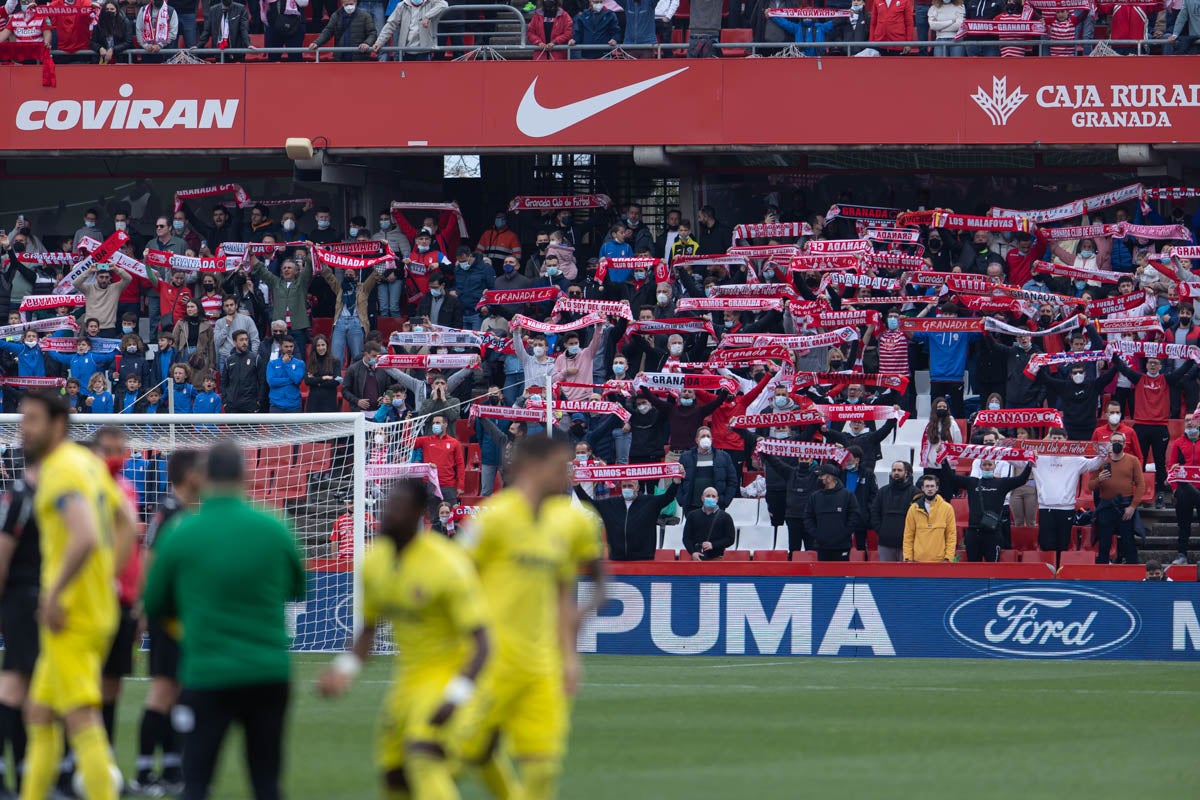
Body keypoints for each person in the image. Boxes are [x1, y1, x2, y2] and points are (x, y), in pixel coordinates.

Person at [143, 442, 305, 800]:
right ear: (246, 477)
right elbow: (297, 587)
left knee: (197, 783)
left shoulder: (182, 532)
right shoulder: (274, 527)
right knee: (266, 783)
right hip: (267, 670)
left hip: (207, 672)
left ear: (206, 477)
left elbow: (154, 600)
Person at [318, 480, 491, 799]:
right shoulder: (375, 562)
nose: (387, 513)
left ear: (417, 514)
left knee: (423, 756)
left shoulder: (447, 564)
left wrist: (457, 694)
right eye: (387, 505)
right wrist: (343, 669)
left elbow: (482, 642)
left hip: (447, 678)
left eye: (396, 506)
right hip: (407, 683)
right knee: (394, 777)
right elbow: (368, 631)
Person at [459, 436, 605, 800]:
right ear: (533, 468)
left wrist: (570, 654)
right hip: (490, 662)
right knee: (464, 751)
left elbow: (581, 585)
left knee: (543, 769)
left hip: (543, 666)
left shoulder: (575, 523)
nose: (566, 474)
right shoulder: (493, 518)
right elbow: (456, 579)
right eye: (559, 467)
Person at [18, 390, 135, 800]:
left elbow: (84, 534)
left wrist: (55, 593)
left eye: (31, 419)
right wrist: (106, 576)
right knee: (39, 711)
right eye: (22, 418)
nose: (22, 427)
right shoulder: (87, 462)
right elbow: (128, 522)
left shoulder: (61, 470)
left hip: (71, 613)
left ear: (58, 425)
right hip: (91, 604)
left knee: (81, 717)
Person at [131, 450, 203, 796]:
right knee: (163, 690)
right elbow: (150, 560)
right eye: (201, 471)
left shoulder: (181, 513)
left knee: (177, 691)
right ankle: (145, 772)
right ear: (189, 475)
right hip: (169, 617)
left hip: (182, 616)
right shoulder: (170, 513)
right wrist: (145, 608)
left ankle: (172, 769)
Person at [0, 474, 40, 800]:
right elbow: (4, 549)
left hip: (32, 601)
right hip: (21, 600)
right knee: (14, 686)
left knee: (25, 689)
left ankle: (27, 776)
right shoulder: (21, 496)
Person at [1114, 355, 1197, 508]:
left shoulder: (1166, 379)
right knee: (1140, 461)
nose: (1152, 365)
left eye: (1155, 363)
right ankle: (1138, 494)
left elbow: (1181, 371)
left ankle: (1159, 495)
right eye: (1150, 363)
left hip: (1160, 427)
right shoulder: (1139, 378)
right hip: (1141, 425)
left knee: (1160, 462)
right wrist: (1112, 355)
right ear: (1146, 365)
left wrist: (1192, 358)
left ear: (1160, 366)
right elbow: (1123, 369)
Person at [1031, 428, 1107, 560]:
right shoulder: (1038, 457)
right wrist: (1002, 450)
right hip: (1045, 507)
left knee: (1063, 544)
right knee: (1046, 544)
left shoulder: (1075, 459)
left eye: (1059, 438)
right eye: (1053, 438)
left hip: (1066, 509)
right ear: (1049, 439)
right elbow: (1017, 460)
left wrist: (1103, 454)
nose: (1056, 441)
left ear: (1065, 440)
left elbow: (1093, 464)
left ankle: (1059, 572)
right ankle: (1048, 573)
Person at [939, 457, 1033, 562]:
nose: (987, 467)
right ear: (980, 467)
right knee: (973, 570)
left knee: (993, 570)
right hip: (974, 533)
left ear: (995, 466)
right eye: (984, 465)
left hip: (993, 534)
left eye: (990, 465)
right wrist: (943, 459)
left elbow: (1022, 479)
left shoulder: (1002, 483)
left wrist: (1030, 463)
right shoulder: (972, 482)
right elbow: (950, 477)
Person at [574, 478, 679, 561]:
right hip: (616, 558)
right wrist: (576, 486)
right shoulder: (611, 504)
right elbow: (589, 504)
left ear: (637, 487)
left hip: (643, 559)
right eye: (624, 486)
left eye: (630, 486)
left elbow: (668, 497)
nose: (627, 488)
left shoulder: (649, 502)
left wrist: (676, 482)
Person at [1087, 432, 1144, 564]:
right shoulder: (1101, 461)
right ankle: (1102, 571)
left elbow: (1141, 485)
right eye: (1113, 441)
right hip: (1106, 505)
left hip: (1125, 505)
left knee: (1128, 540)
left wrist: (1133, 507)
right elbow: (1090, 485)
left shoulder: (1133, 460)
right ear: (1109, 444)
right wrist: (1099, 480)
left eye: (1119, 441)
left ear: (1124, 444)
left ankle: (1132, 571)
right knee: (1104, 541)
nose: (1116, 444)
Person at [801, 463, 863, 562]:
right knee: (823, 576)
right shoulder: (814, 496)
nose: (819, 478)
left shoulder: (847, 495)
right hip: (821, 546)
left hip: (842, 546)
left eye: (821, 476)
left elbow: (854, 517)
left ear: (829, 478)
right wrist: (816, 533)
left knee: (840, 575)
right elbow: (808, 517)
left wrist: (844, 533)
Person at [677, 427, 739, 518]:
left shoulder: (723, 457)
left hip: (716, 507)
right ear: (696, 440)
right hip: (692, 507)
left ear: (712, 439)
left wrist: (725, 501)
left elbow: (732, 481)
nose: (706, 438)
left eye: (708, 436)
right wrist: (682, 500)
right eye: (702, 436)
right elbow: (678, 481)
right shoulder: (685, 457)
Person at [411, 414, 465, 515]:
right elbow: (408, 443)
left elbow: (460, 465)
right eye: (433, 423)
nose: (435, 425)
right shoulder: (426, 440)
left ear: (445, 424)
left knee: (452, 517)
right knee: (434, 518)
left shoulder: (454, 443)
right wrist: (408, 425)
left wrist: (460, 485)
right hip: (431, 485)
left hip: (448, 485)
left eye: (438, 423)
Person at [1167, 416, 1200, 566]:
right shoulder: (1178, 443)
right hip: (1184, 489)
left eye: (1193, 419)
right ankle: (1182, 554)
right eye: (1187, 420)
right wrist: (1175, 490)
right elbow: (1171, 466)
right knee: (1183, 525)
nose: (1190, 422)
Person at [903, 473, 957, 562]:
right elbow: (908, 536)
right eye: (927, 486)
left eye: (932, 486)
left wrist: (948, 558)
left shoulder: (947, 508)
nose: (930, 489)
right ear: (922, 488)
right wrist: (908, 558)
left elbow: (951, 535)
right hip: (918, 561)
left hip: (940, 562)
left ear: (937, 488)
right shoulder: (913, 509)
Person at [871, 461, 915, 562]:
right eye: (894, 470)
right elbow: (874, 512)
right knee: (886, 575)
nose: (896, 472)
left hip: (907, 544)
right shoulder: (882, 491)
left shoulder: (915, 492)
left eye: (899, 470)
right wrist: (881, 531)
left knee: (905, 576)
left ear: (906, 473)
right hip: (885, 543)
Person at [682, 487, 736, 561]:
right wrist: (693, 552)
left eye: (713, 496)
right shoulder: (692, 515)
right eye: (708, 496)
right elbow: (686, 538)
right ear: (702, 498)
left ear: (717, 499)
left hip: (717, 559)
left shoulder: (725, 517)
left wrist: (713, 545)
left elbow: (730, 539)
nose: (711, 498)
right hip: (697, 559)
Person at [311, 0, 378, 59]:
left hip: (359, 57)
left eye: (351, 4)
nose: (349, 7)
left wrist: (367, 43)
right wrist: (317, 42)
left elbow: (372, 33)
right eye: (346, 4)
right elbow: (328, 31)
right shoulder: (336, 15)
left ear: (356, 2)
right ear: (342, 3)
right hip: (340, 57)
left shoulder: (365, 16)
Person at [265, 336, 305, 413]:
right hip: (276, 405)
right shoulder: (272, 364)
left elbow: (297, 380)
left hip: (294, 406)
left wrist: (287, 364)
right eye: (286, 346)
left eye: (291, 346)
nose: (289, 349)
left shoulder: (300, 363)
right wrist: (290, 380)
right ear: (280, 347)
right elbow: (271, 382)